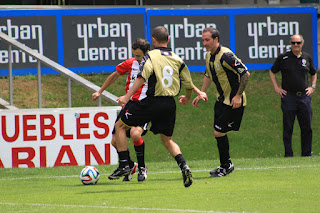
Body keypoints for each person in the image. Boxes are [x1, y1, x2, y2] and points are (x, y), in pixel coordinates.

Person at [108, 26, 208, 187]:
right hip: (170, 104)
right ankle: (184, 166)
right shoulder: (177, 58)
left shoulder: (150, 56)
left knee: (119, 125)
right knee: (167, 140)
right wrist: (187, 98)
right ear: (168, 40)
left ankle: (125, 164)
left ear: (153, 40)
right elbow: (188, 83)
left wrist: (127, 96)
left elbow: (141, 78)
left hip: (152, 102)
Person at [192, 27, 250, 178]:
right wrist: (202, 92)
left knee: (218, 132)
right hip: (221, 100)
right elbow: (208, 74)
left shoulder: (226, 56)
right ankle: (225, 164)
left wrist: (237, 96)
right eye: (203, 40)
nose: (204, 43)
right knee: (218, 133)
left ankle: (226, 165)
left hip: (233, 102)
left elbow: (245, 73)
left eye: (207, 40)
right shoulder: (209, 56)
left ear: (216, 39)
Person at [92, 38, 151, 181]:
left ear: (147, 53)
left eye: (138, 56)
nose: (136, 58)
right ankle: (131, 165)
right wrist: (100, 91)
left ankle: (141, 168)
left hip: (143, 105)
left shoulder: (152, 65)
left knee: (135, 134)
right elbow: (114, 75)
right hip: (129, 104)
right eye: (134, 55)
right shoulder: (130, 63)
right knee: (114, 141)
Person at [269, 34, 317, 157]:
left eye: (298, 42)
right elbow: (272, 71)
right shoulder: (283, 57)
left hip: (304, 97)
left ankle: (307, 153)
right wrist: (276, 87)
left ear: (302, 43)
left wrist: (313, 86)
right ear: (290, 44)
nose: (296, 45)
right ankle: (288, 154)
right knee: (288, 126)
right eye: (293, 43)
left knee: (306, 126)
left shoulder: (307, 57)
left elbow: (313, 72)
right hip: (288, 97)